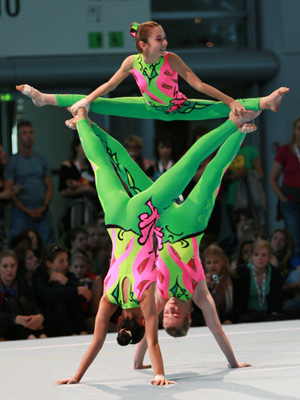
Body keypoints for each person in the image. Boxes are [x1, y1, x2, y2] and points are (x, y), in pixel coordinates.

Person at [57, 108, 257, 386]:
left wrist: (154, 372)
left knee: (120, 164)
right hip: (174, 223)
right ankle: (83, 122)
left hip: (145, 218)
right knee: (206, 172)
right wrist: (232, 363)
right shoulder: (143, 297)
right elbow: (208, 331)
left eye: (167, 316)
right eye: (175, 315)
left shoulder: (150, 294)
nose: (170, 310)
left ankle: (85, 123)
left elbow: (148, 339)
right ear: (189, 315)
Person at [16, 21, 289, 124]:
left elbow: (199, 84)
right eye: (159, 39)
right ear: (143, 45)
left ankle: (265, 102)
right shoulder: (131, 62)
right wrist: (87, 100)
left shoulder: (172, 59)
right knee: (97, 101)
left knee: (219, 108)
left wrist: (229, 100)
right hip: (147, 108)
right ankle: (43, 99)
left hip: (177, 108)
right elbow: (110, 84)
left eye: (165, 37)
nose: (165, 42)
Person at [3, 120, 54, 245]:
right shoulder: (12, 162)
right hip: (21, 213)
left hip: (42, 212)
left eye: (31, 132)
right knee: (19, 244)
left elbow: (49, 187)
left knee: (46, 244)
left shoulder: (41, 160)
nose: (28, 136)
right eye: (24, 133)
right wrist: (26, 210)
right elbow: (9, 190)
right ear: (18, 137)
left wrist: (44, 207)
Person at [33, 244, 91, 337]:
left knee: (73, 299)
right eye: (61, 261)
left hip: (74, 320)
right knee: (60, 301)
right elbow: (49, 295)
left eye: (66, 260)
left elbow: (86, 296)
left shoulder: (67, 275)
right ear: (49, 263)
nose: (66, 264)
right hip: (50, 321)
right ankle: (72, 334)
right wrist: (76, 290)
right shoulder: (39, 277)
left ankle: (82, 332)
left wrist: (65, 281)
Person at [231, 240, 283, 323]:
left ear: (269, 257)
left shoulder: (275, 273)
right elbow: (238, 301)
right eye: (256, 255)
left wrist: (274, 314)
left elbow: (277, 299)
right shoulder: (241, 272)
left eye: (264, 255)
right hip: (247, 315)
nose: (260, 258)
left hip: (268, 314)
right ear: (251, 255)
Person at [269, 116, 300, 255]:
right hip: (291, 200)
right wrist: (283, 199)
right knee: (294, 239)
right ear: (294, 131)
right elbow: (272, 178)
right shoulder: (285, 150)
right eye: (299, 128)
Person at [0, 249, 46, 340]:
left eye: (12, 266)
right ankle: (31, 336)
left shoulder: (21, 283)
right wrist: (16, 319)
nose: (9, 270)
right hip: (6, 326)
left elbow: (33, 304)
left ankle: (40, 335)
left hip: (25, 323)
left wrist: (40, 316)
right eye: (5, 266)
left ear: (16, 265)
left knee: (23, 300)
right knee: (11, 302)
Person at [58, 137, 100, 236]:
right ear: (76, 147)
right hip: (73, 210)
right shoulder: (67, 166)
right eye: (83, 145)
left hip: (90, 210)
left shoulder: (93, 168)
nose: (86, 149)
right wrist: (85, 189)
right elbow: (62, 191)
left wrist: (79, 187)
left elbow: (97, 191)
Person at [203, 245, 235, 324]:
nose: (212, 266)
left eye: (216, 262)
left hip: (230, 318)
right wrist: (205, 286)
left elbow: (239, 305)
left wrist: (230, 319)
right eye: (208, 263)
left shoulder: (233, 279)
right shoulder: (199, 282)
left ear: (223, 262)